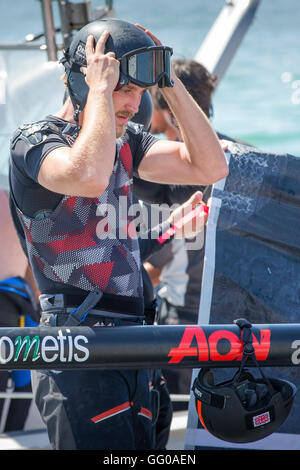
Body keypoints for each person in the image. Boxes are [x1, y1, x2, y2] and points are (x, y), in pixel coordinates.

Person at [9, 19, 227, 450]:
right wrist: (99, 92)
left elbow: (210, 167)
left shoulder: (128, 143)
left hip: (137, 346)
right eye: (122, 89)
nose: (132, 104)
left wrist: (171, 84)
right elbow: (87, 177)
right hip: (79, 347)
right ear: (83, 81)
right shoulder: (33, 143)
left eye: (140, 93)